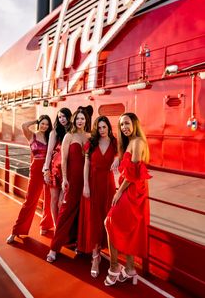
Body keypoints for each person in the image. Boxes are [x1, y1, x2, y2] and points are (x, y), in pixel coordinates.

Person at [104, 112, 151, 286]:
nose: (124, 127)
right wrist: (118, 158)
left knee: (109, 222)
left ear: (135, 124)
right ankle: (130, 269)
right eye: (121, 124)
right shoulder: (132, 142)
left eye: (127, 123)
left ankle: (114, 266)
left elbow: (133, 174)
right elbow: (129, 165)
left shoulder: (137, 142)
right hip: (131, 189)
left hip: (132, 191)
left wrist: (118, 192)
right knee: (127, 227)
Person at [46, 108, 91, 262]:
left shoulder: (90, 136)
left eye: (82, 119)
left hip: (86, 181)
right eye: (77, 118)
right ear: (74, 120)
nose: (80, 121)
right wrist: (65, 179)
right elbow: (64, 159)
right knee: (65, 212)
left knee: (83, 213)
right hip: (72, 180)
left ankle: (81, 245)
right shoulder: (69, 136)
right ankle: (54, 248)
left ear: (86, 120)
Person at [79, 116, 117, 278]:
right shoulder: (91, 143)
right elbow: (86, 165)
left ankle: (107, 251)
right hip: (93, 185)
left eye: (104, 127)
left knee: (107, 219)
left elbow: (127, 154)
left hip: (108, 186)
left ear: (108, 127)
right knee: (94, 219)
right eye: (99, 127)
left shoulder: (116, 143)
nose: (102, 130)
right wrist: (85, 186)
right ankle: (95, 257)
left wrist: (119, 159)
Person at [6, 115, 53, 244]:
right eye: (42, 123)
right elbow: (23, 125)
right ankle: (16, 231)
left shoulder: (50, 137)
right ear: (39, 124)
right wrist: (35, 121)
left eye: (47, 124)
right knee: (30, 201)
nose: (44, 126)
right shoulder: (31, 135)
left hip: (48, 170)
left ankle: (45, 225)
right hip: (36, 171)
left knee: (49, 200)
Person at [42, 108, 72, 230]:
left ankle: (62, 226)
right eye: (59, 117)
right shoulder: (54, 133)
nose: (62, 119)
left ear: (69, 117)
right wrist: (46, 170)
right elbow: (49, 153)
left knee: (62, 201)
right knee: (54, 200)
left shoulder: (72, 132)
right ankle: (56, 226)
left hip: (67, 170)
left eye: (64, 116)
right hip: (54, 169)